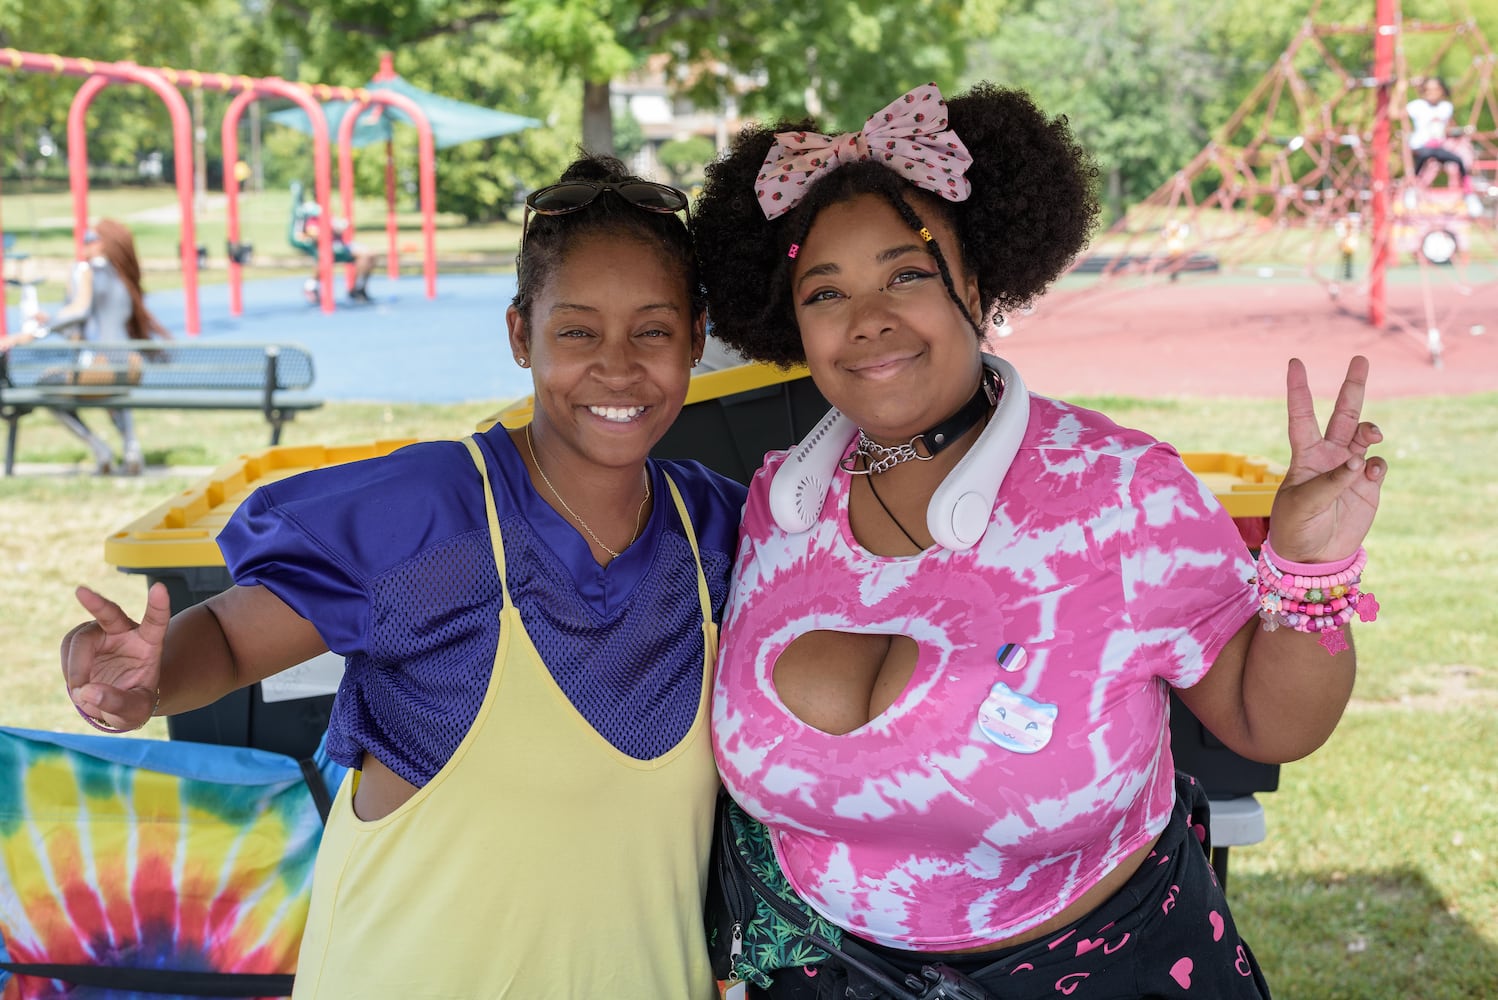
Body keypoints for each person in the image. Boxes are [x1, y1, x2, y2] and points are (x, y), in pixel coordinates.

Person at [693, 82, 1386, 998]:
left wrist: (1307, 565)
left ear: (977, 285)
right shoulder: (776, 504)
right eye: (827, 292)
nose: (868, 319)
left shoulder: (1122, 493)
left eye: (908, 273)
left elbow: (1275, 724)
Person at [58, 153, 747, 998]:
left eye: (653, 330)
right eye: (576, 330)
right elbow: (233, 643)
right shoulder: (430, 512)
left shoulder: (717, 530)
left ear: (696, 336)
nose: (617, 365)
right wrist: (140, 679)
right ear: (519, 334)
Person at [1, 219, 171, 475]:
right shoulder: (124, 278)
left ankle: (100, 448)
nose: (84, 245)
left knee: (47, 387)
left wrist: (32, 334)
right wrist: (54, 319)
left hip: (102, 367)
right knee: (113, 393)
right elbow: (82, 321)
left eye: (89, 239)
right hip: (131, 366)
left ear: (103, 243)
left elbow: (79, 311)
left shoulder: (86, 271)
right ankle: (131, 448)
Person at [1405, 76, 1483, 218]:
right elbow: (1395, 113)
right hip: (1421, 146)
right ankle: (1412, 189)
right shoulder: (1417, 106)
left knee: (1459, 160)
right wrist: (1401, 88)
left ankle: (1468, 193)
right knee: (1423, 159)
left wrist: (1461, 131)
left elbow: (1446, 129)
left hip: (1438, 146)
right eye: (1428, 90)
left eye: (1436, 89)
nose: (1432, 93)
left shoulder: (1445, 107)